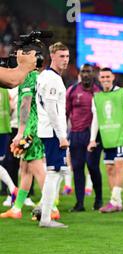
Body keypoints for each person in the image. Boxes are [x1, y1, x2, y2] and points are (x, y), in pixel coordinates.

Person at [1, 63, 49, 219]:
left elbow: (25, 104)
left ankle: (51, 207)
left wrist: (21, 132)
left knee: (37, 167)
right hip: (38, 125)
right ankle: (17, 209)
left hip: (31, 127)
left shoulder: (28, 77)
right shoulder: (39, 77)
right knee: (26, 168)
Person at [88, 68, 123, 213]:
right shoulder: (96, 97)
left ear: (113, 77)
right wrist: (92, 139)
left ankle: (114, 201)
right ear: (99, 78)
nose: (105, 79)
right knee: (109, 169)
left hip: (121, 136)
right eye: (102, 77)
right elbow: (95, 119)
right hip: (106, 138)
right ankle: (117, 202)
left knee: (119, 166)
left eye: (108, 76)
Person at [35, 42, 70, 228]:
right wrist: (62, 135)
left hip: (48, 129)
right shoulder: (52, 79)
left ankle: (42, 206)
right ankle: (45, 218)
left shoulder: (46, 76)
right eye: (62, 56)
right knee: (54, 172)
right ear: (52, 57)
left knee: (62, 170)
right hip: (53, 131)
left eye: (67, 56)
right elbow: (51, 108)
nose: (65, 60)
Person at [66, 63, 103, 212]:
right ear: (80, 74)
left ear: (93, 73)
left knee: (93, 167)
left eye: (89, 72)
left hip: (94, 135)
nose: (86, 74)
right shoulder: (72, 90)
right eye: (84, 72)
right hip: (76, 134)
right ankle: (79, 202)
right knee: (77, 168)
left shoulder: (99, 91)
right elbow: (65, 113)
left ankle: (98, 198)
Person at [0, 86, 18, 206]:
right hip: (5, 130)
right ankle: (13, 189)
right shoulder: (5, 90)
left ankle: (13, 189)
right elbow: (11, 108)